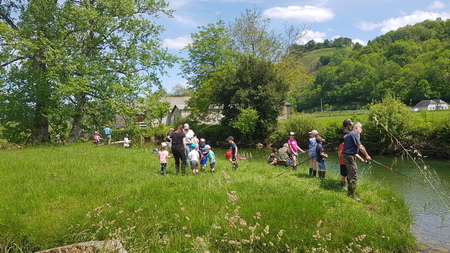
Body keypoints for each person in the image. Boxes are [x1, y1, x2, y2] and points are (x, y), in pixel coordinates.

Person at [342, 122, 371, 202]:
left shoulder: (351, 134)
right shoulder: (353, 134)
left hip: (347, 156)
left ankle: (349, 193)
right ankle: (352, 196)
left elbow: (352, 149)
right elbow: (360, 146)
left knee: (350, 174)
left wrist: (359, 157)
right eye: (361, 128)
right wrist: (367, 156)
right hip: (349, 157)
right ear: (357, 127)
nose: (361, 130)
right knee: (353, 175)